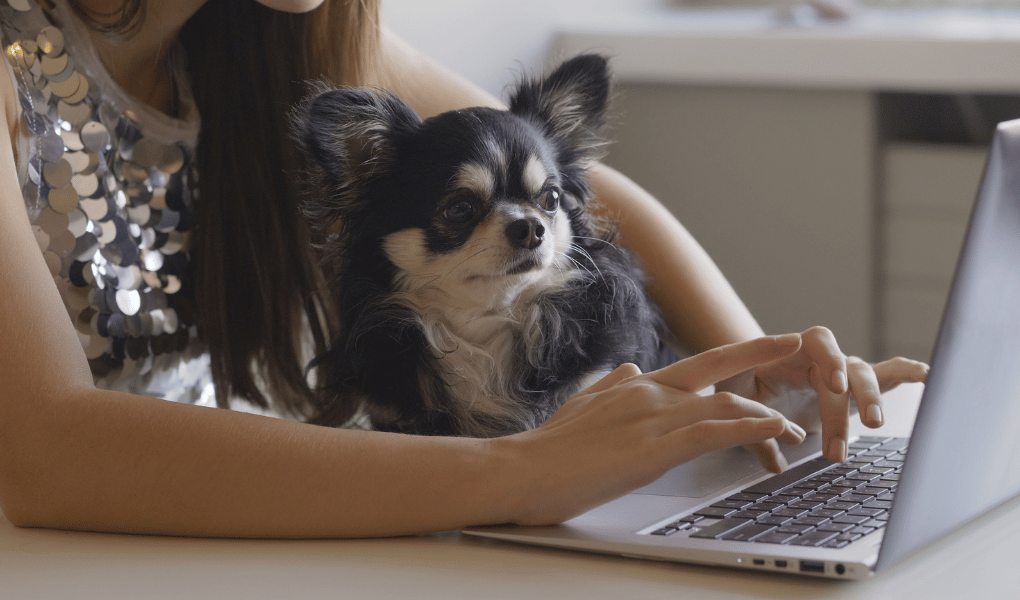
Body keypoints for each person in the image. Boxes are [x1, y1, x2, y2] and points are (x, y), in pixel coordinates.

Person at [0, 0, 927, 538]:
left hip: (230, 535)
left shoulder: (278, 38)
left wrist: (755, 375)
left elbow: (606, 199)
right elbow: (46, 456)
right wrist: (520, 474)